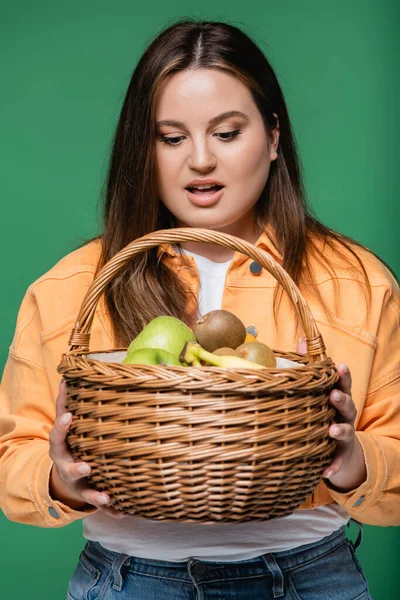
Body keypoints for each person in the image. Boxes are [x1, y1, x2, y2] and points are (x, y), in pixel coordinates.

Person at [0, 19, 399, 600]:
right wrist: (57, 479)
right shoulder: (72, 289)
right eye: (171, 137)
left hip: (313, 579)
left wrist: (356, 462)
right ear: (143, 148)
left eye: (228, 132)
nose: (201, 160)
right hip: (129, 581)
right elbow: (11, 452)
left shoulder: (358, 284)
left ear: (273, 137)